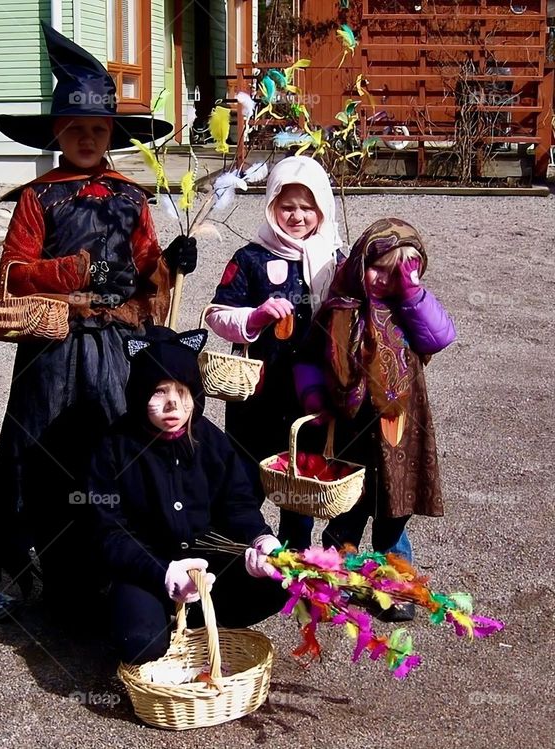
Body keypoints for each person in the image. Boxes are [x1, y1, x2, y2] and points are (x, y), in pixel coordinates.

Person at [0, 23, 197, 620]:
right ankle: (16, 570)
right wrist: (72, 270)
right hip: (52, 349)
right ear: (57, 134)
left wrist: (170, 264)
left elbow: (148, 273)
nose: (89, 139)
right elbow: (14, 274)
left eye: (99, 130)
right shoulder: (37, 198)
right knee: (34, 454)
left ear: (113, 135)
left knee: (111, 452)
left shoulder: (132, 199)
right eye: (77, 130)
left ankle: (111, 569)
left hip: (117, 347)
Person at [88, 327, 285, 664]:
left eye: (182, 391)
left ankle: (197, 618)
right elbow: (109, 531)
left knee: (275, 581)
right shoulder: (114, 448)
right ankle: (149, 613)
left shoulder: (211, 440)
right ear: (139, 395)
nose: (173, 404)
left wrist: (259, 537)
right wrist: (162, 573)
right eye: (159, 392)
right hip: (147, 568)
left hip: (206, 563)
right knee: (139, 644)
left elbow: (237, 502)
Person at [314, 218, 455, 621]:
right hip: (354, 427)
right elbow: (313, 358)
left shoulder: (407, 308)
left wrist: (411, 291)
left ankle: (393, 586)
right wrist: (314, 395)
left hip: (400, 434)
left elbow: (440, 336)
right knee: (351, 509)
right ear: (360, 260)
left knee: (394, 512)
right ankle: (338, 578)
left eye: (398, 273)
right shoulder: (341, 306)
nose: (383, 279)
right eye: (379, 267)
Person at [203, 156, 343, 550]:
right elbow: (217, 314)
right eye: (287, 206)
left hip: (310, 390)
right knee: (247, 472)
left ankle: (295, 553)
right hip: (259, 392)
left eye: (306, 207)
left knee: (300, 474)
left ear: (322, 209)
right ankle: (240, 549)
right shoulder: (250, 258)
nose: (296, 216)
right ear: (270, 206)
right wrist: (256, 316)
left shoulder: (334, 260)